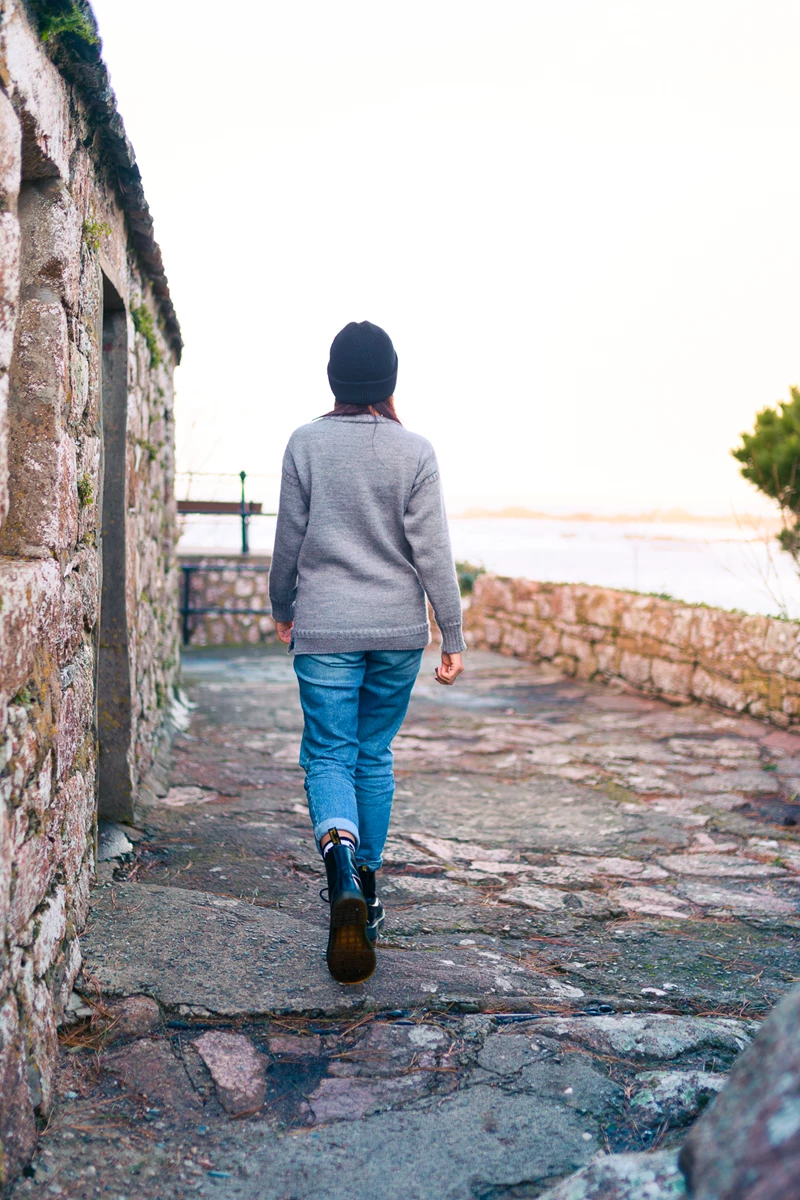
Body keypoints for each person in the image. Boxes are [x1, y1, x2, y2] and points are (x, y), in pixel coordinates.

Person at [268, 321, 465, 985]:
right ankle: (368, 894)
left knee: (328, 753)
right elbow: (433, 552)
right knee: (372, 753)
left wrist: (283, 608)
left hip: (326, 625)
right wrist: (453, 635)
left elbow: (288, 541)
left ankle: (340, 868)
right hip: (397, 632)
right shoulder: (415, 452)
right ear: (389, 381)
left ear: (334, 379)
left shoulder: (305, 443)